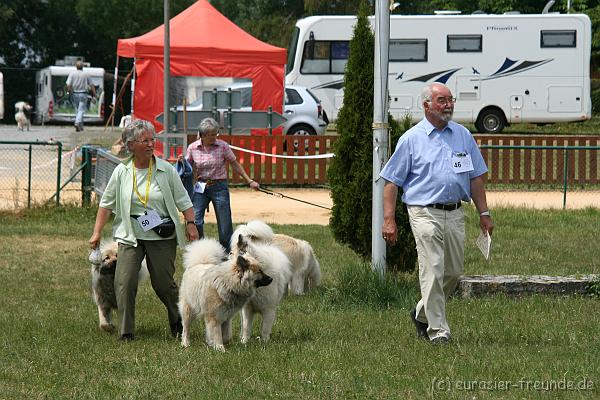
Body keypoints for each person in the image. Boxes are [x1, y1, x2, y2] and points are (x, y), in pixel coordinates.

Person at [380, 82, 494, 345]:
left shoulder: (463, 135)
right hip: (423, 212)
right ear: (426, 105)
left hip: (455, 212)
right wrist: (389, 220)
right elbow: (391, 182)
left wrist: (484, 213)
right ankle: (439, 331)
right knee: (432, 269)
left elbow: (476, 177)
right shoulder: (411, 139)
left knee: (452, 272)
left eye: (450, 100)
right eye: (442, 100)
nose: (449, 105)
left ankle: (421, 314)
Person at [89, 120, 199, 342]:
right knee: (124, 281)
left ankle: (178, 320)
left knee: (163, 283)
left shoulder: (166, 170)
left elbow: (183, 199)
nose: (151, 144)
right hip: (130, 234)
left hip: (161, 234)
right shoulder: (121, 171)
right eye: (145, 140)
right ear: (131, 144)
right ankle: (126, 331)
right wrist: (97, 232)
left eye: (152, 140)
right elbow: (106, 203)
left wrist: (190, 223)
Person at [182, 117, 260, 252]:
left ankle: (227, 252)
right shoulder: (193, 148)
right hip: (200, 187)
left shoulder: (223, 146)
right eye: (211, 135)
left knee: (225, 226)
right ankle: (200, 250)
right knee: (196, 220)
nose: (214, 137)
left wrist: (249, 180)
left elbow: (235, 164)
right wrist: (181, 163)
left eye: (215, 133)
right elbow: (186, 167)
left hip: (219, 187)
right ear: (202, 135)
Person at [66, 60, 96, 132]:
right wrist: (94, 94)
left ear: (76, 66)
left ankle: (80, 127)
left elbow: (68, 84)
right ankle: (77, 122)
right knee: (81, 110)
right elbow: (91, 85)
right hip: (83, 93)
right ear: (82, 66)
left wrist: (68, 92)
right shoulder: (86, 74)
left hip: (74, 93)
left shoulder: (72, 74)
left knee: (78, 110)